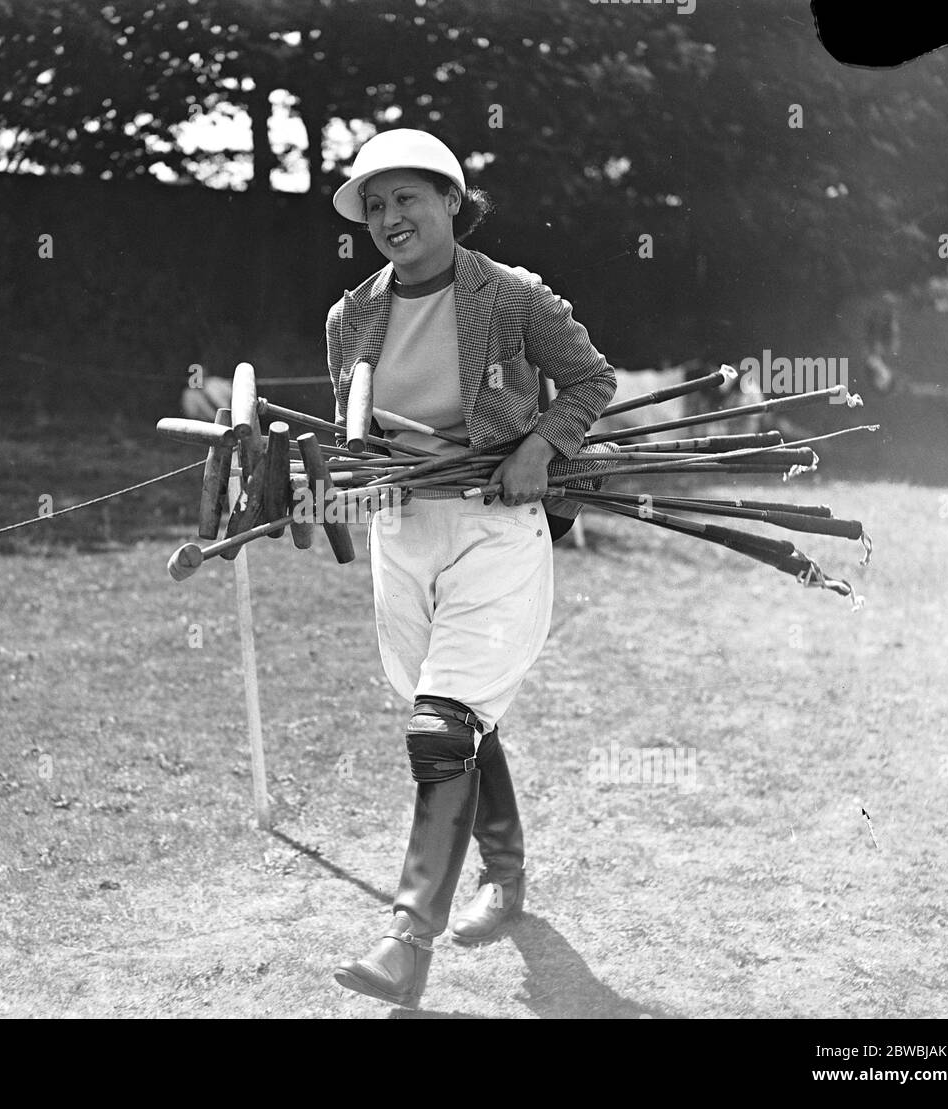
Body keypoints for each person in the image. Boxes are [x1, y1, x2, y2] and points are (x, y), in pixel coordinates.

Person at [325, 129, 617, 1008]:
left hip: (499, 523)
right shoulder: (350, 317)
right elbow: (355, 430)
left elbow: (591, 382)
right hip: (405, 529)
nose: (388, 217)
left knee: (442, 727)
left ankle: (406, 939)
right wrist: (357, 474)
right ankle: (508, 876)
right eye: (374, 205)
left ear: (451, 200)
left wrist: (539, 446)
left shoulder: (512, 296)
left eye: (406, 197)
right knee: (448, 718)